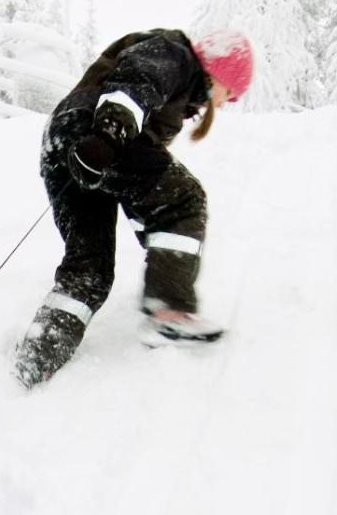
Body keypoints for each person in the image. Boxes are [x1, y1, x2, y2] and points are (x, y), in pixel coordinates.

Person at [14, 28, 254, 387]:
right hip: (94, 132)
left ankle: (35, 360)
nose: (224, 103)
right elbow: (136, 80)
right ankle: (169, 310)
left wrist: (157, 238)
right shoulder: (175, 54)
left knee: (90, 269)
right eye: (229, 92)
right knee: (185, 200)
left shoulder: (180, 93)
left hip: (64, 143)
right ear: (219, 69)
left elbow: (143, 197)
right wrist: (108, 135)